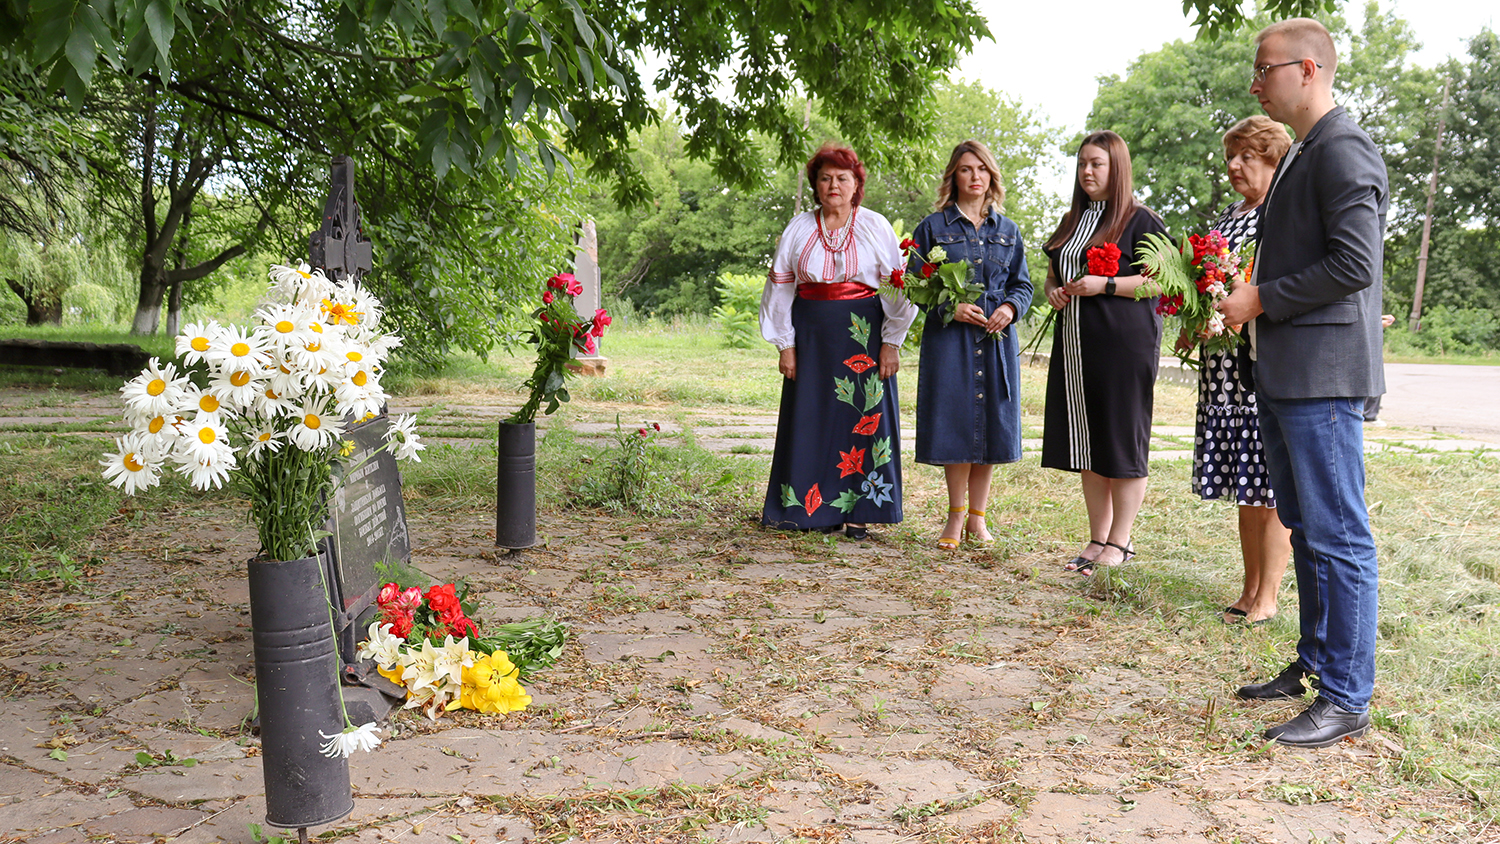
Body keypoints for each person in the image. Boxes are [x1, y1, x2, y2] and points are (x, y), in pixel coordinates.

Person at [1218, 18, 1388, 748]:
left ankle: (1346, 697)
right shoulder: (1302, 153)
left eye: (1266, 69)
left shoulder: (1344, 148)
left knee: (1338, 534)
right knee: (1309, 529)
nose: (1256, 83)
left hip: (1322, 376)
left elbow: (1356, 267)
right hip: (1289, 373)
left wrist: (1259, 298)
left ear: (1309, 68)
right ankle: (1315, 663)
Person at [759, 143, 918, 538]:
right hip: (810, 338)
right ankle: (813, 511)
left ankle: (860, 511)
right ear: (815, 184)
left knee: (862, 419)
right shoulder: (798, 227)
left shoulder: (875, 226)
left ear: (856, 184)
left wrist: (891, 342)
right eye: (825, 177)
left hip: (862, 335)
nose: (833, 185)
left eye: (842, 178)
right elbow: (780, 290)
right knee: (811, 417)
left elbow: (898, 289)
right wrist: (786, 345)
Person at [1040, 130, 1167, 574]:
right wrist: (1055, 291)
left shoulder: (1141, 220)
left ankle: (1121, 541)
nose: (1088, 172)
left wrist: (1106, 285)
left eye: (1097, 164)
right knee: (1087, 444)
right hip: (1075, 348)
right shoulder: (1073, 221)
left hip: (1123, 346)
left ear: (1117, 168)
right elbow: (1054, 275)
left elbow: (1159, 281)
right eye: (1082, 164)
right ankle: (1098, 538)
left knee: (1120, 440)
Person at [1189, 117, 1295, 625]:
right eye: (1231, 155)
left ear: (1273, 160)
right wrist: (1197, 316)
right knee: (1245, 484)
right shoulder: (1230, 216)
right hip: (1223, 364)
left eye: (1247, 156)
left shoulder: (1284, 212)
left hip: (1263, 362)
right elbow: (1206, 282)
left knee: (1270, 486)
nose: (1233, 165)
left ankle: (1269, 596)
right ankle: (1249, 587)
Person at [909, 140, 1033, 550]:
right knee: (959, 423)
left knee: (991, 427)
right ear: (954, 176)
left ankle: (978, 519)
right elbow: (916, 287)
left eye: (982, 169)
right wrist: (952, 306)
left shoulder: (1009, 231)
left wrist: (1011, 309)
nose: (975, 176)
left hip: (995, 340)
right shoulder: (932, 228)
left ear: (991, 176)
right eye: (966, 169)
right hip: (951, 342)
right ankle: (955, 515)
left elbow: (1023, 285)